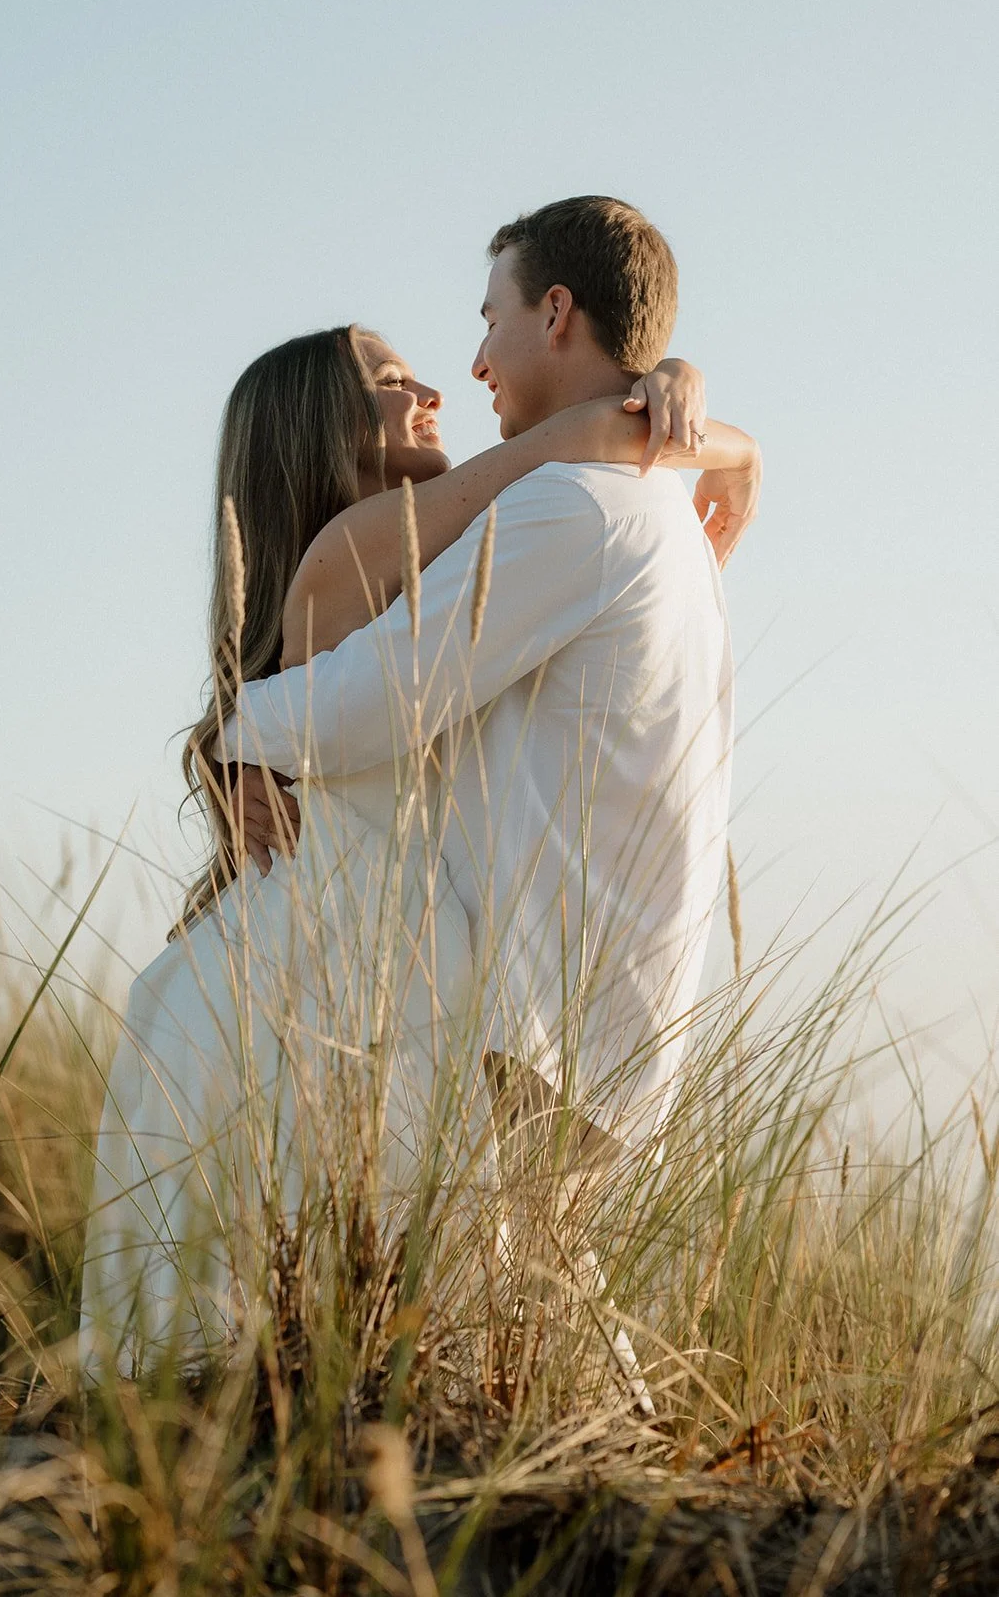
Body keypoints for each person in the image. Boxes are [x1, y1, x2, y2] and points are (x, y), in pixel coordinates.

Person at [81, 238, 758, 1375]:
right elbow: (357, 710)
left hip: (410, 978)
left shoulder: (461, 544)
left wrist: (711, 433)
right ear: (324, 430)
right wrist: (614, 429)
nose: (438, 383)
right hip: (358, 980)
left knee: (439, 1300)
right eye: (391, 380)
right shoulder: (350, 560)